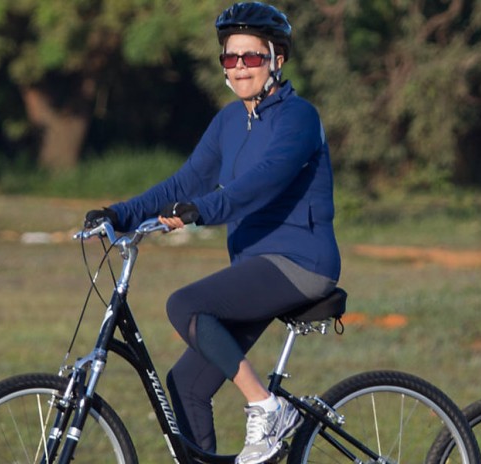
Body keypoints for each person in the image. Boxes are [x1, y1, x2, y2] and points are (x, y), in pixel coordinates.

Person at [85, 2, 341, 463]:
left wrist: (200, 212)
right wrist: (118, 213)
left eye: (252, 57)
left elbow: (258, 183)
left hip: (301, 264)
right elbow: (185, 182)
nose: (240, 67)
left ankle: (267, 407)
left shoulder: (299, 118)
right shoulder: (228, 121)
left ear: (276, 59)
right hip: (255, 269)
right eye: (230, 58)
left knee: (185, 304)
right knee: (186, 385)